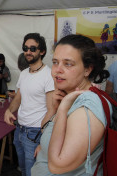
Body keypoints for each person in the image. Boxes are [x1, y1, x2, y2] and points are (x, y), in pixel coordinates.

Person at [31, 34, 111, 175]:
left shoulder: (87, 105)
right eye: (55, 62)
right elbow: (46, 130)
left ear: (87, 69)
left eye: (68, 64)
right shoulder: (68, 95)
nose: (57, 70)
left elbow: (58, 165)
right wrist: (54, 109)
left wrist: (62, 110)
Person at [4, 33, 55, 176]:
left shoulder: (48, 75)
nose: (28, 52)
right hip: (19, 129)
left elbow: (52, 111)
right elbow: (18, 98)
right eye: (25, 48)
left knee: (33, 172)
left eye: (33, 48)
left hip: (35, 132)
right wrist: (9, 110)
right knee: (23, 168)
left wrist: (43, 140)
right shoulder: (24, 73)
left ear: (42, 51)